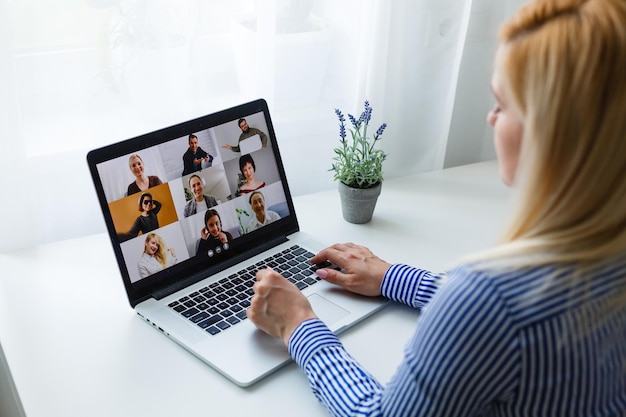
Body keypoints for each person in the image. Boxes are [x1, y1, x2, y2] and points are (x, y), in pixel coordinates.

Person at [247, 0, 626, 416]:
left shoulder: (488, 298)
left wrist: (297, 324)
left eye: (502, 103)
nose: (489, 119)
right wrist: (393, 278)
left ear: (552, 134)